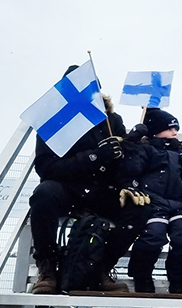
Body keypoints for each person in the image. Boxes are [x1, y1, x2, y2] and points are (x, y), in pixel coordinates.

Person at [27, 66, 130, 294]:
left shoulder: (111, 120)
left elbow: (127, 160)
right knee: (43, 195)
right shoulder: (52, 121)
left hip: (102, 189)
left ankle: (103, 267)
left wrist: (124, 157)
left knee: (138, 208)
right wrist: (93, 157)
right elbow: (45, 167)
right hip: (68, 188)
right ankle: (47, 268)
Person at [117, 109, 182, 296]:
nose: (175, 132)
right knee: (152, 237)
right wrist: (131, 143)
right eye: (170, 128)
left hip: (179, 204)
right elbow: (132, 169)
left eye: (176, 128)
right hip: (152, 203)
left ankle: (178, 279)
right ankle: (142, 277)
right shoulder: (146, 149)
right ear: (155, 130)